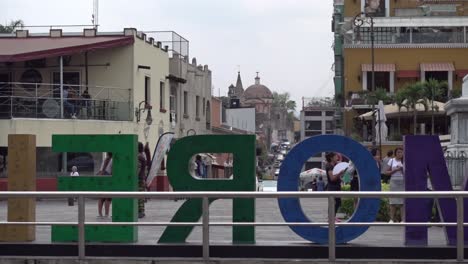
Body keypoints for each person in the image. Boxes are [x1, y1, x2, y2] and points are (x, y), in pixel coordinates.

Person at [325, 152, 347, 221]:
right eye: (335, 156)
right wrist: (339, 173)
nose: (337, 158)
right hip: (332, 186)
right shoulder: (329, 166)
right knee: (333, 202)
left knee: (337, 202)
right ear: (331, 158)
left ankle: (332, 217)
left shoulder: (334, 165)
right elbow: (332, 178)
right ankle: (331, 217)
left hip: (336, 186)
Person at [387, 147, 405, 223]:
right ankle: (391, 219)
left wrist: (402, 170)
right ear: (395, 153)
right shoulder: (391, 160)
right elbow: (386, 172)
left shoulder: (405, 161)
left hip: (402, 181)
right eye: (398, 152)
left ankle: (403, 219)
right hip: (393, 181)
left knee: (402, 201)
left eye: (401, 152)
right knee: (392, 201)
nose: (400, 154)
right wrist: (396, 170)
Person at [97, 152, 113, 218]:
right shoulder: (113, 160)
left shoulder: (105, 159)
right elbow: (113, 171)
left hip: (102, 178)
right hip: (109, 178)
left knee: (101, 197)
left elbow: (100, 170)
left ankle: (100, 214)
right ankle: (106, 214)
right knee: (108, 198)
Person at [137, 142, 147, 218]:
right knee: (141, 195)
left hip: (139, 178)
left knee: (139, 195)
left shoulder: (139, 156)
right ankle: (142, 211)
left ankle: (140, 211)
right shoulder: (143, 155)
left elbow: (138, 168)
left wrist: (135, 176)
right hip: (142, 177)